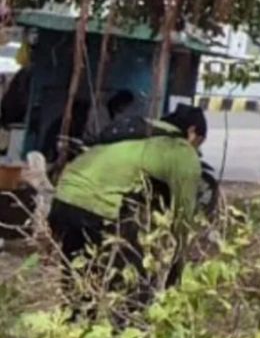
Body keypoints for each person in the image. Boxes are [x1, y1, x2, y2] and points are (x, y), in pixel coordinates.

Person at [47, 105, 207, 310]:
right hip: (98, 209)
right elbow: (183, 213)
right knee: (131, 282)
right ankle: (126, 331)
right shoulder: (181, 150)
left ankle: (72, 329)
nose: (197, 149)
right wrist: (178, 264)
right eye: (199, 142)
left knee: (79, 280)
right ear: (192, 132)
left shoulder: (138, 133)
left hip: (64, 199)